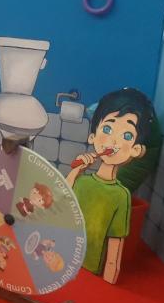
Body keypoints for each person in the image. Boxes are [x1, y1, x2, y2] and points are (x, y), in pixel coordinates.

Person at [65, 87, 155, 283]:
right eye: (107, 129)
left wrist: (108, 283)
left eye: (127, 136)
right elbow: (60, 200)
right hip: (63, 260)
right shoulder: (82, 182)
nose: (113, 140)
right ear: (92, 136)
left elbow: (114, 249)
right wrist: (76, 171)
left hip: (90, 273)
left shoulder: (121, 196)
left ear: (136, 150)